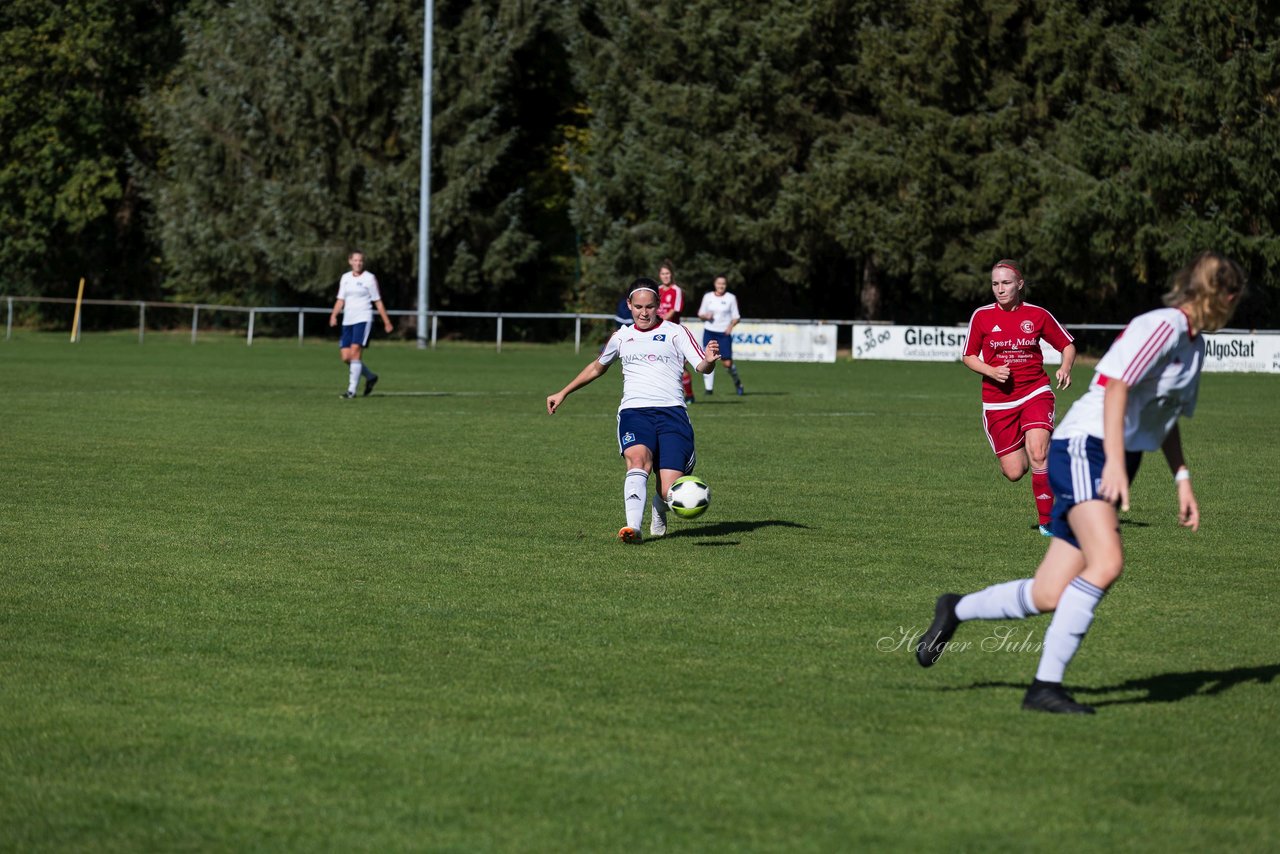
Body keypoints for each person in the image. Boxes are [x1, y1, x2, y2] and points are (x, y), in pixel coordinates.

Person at [917, 252, 1248, 714]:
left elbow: (1163, 416)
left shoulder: (1194, 346)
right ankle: (1044, 687)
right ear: (1225, 297)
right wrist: (1113, 459)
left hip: (1111, 455)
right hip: (1085, 448)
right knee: (1107, 561)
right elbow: (1115, 385)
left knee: (1048, 592)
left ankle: (955, 609)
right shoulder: (1165, 326)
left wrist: (1183, 478)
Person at [547, 278, 720, 544]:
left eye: (649, 307)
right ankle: (632, 528)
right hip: (634, 412)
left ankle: (659, 506)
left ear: (658, 305)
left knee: (668, 491)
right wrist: (563, 392)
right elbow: (597, 367)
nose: (643, 312)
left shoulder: (677, 332)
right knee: (638, 461)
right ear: (629, 305)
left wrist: (708, 362)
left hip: (672, 413)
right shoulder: (621, 336)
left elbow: (701, 366)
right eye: (638, 306)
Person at [962, 260, 1077, 534]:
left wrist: (1065, 367)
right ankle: (1040, 455)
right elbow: (968, 356)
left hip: (1035, 391)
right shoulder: (981, 316)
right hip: (998, 402)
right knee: (1014, 472)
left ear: (1019, 284)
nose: (1000, 289)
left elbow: (1067, 344)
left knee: (1038, 452)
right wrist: (990, 370)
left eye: (1006, 283)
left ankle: (1048, 521)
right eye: (995, 284)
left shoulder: (1037, 315)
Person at [329, 250, 393, 398]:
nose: (358, 263)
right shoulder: (345, 278)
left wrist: (386, 321)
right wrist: (334, 315)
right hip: (348, 320)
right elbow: (340, 299)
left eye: (361, 261)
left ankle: (351, 391)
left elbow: (377, 301)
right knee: (346, 357)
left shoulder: (369, 278)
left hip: (363, 318)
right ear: (350, 261)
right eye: (355, 260)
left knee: (356, 351)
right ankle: (370, 377)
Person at [697, 274, 745, 396]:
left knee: (727, 363)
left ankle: (738, 382)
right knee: (708, 359)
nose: (721, 286)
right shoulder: (708, 297)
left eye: (723, 283)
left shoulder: (730, 298)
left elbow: (736, 316)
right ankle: (709, 389)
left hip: (723, 333)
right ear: (715, 284)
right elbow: (700, 313)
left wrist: (730, 326)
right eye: (719, 283)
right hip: (709, 331)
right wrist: (705, 316)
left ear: (726, 285)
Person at [657, 259, 697, 404]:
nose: (665, 276)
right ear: (660, 275)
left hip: (672, 333)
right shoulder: (658, 290)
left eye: (667, 273)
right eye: (663, 274)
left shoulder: (676, 290)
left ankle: (690, 395)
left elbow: (674, 310)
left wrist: (659, 322)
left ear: (671, 275)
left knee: (680, 365)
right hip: (658, 332)